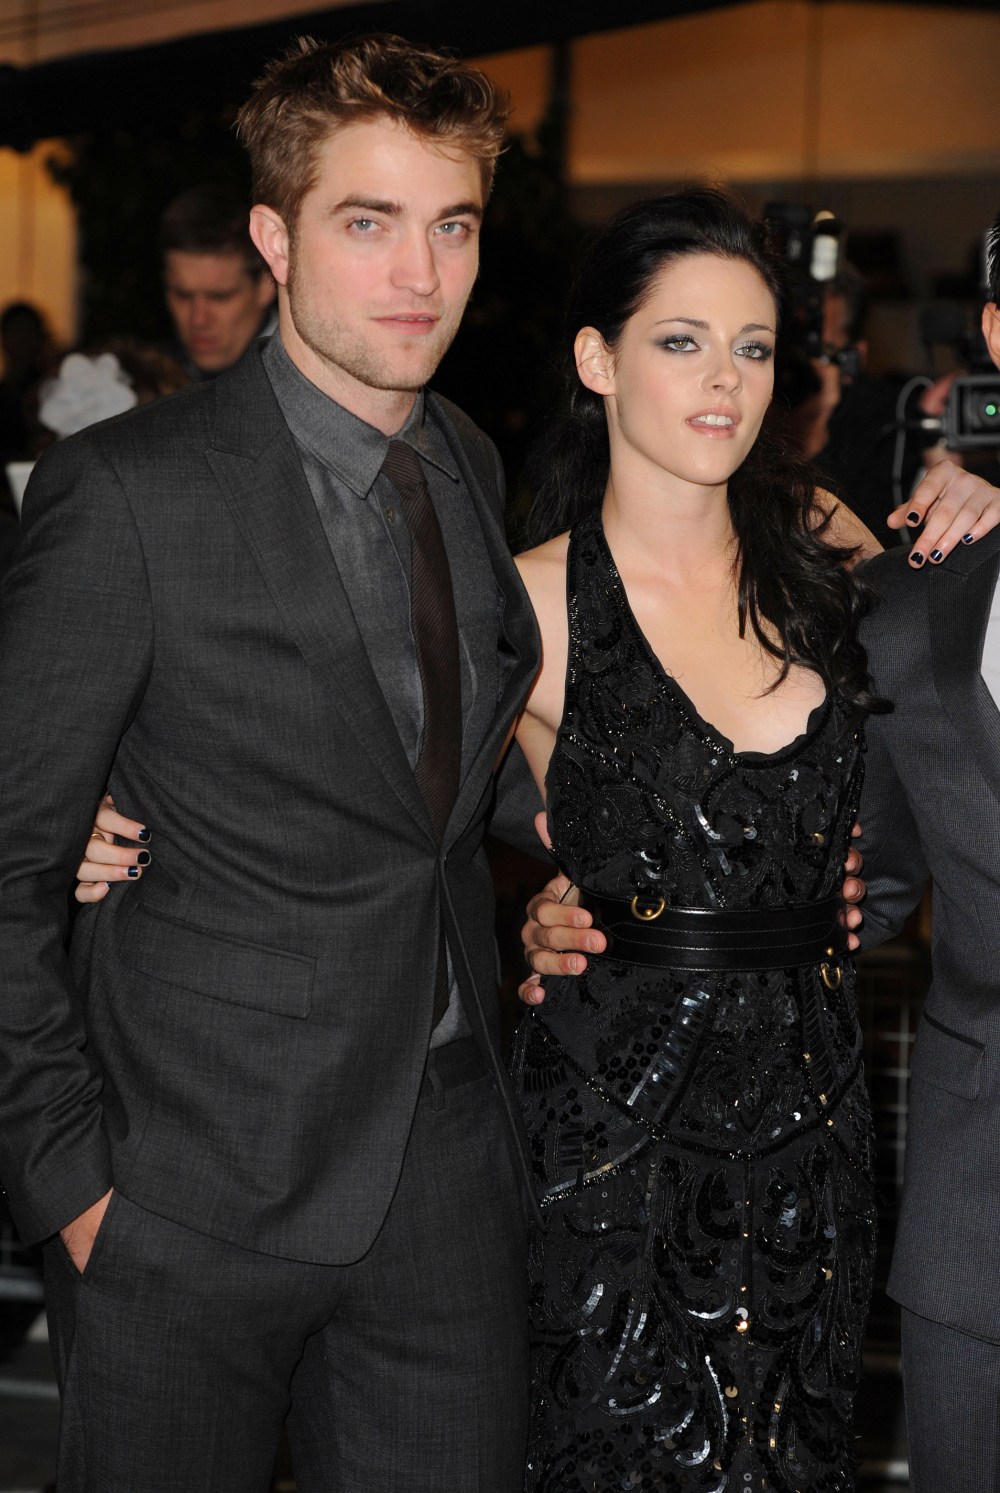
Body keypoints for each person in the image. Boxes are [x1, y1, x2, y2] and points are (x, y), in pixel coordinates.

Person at [0, 34, 541, 1493]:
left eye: (452, 225)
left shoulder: (467, 458)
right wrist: (71, 1183)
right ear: (274, 239)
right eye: (368, 222)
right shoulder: (126, 494)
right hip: (189, 1185)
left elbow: (432, 775)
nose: (419, 275)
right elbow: (10, 857)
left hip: (443, 1172)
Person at [160, 183, 277, 378]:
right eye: (182, 295)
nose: (199, 320)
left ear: (267, 286)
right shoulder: (143, 380)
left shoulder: (311, 380)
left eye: (220, 297)